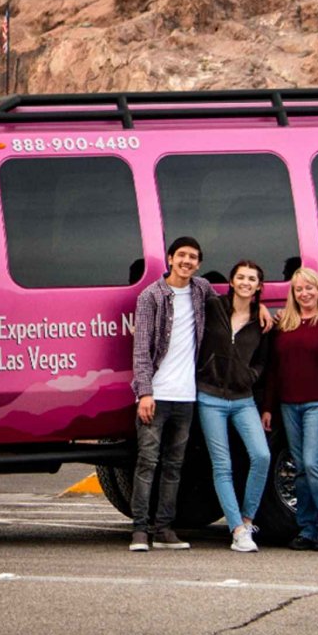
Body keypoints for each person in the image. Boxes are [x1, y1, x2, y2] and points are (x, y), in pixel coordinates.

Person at [128, 236, 212, 551]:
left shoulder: (201, 291)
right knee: (148, 462)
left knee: (175, 465)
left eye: (193, 257)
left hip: (187, 397)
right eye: (181, 256)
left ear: (198, 263)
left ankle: (164, 529)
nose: (186, 261)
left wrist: (261, 313)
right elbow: (141, 350)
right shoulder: (151, 296)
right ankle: (139, 531)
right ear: (170, 258)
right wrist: (145, 393)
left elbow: (231, 308)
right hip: (157, 395)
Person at [262, 267, 318, 551]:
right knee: (300, 467)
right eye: (299, 289)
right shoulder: (285, 323)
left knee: (314, 462)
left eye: (309, 288)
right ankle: (307, 528)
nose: (305, 293)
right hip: (290, 404)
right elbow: (275, 371)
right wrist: (268, 407)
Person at [195, 260, 272, 552]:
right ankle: (237, 530)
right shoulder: (213, 307)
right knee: (222, 464)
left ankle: (248, 518)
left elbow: (263, 362)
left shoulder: (262, 321)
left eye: (252, 278)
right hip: (210, 397)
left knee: (261, 456)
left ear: (259, 286)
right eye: (240, 277)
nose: (245, 282)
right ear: (231, 281)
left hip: (243, 400)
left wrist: (249, 376)